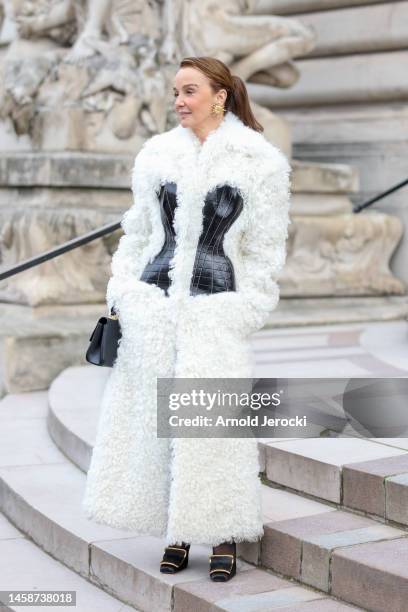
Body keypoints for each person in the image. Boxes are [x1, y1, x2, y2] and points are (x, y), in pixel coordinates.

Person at [82, 55, 292, 582]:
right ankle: (176, 529)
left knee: (212, 426)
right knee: (157, 427)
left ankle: (222, 534)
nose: (179, 100)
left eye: (190, 91)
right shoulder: (156, 154)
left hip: (216, 311)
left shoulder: (259, 161)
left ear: (220, 95)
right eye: (175, 91)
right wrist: (125, 290)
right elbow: (138, 233)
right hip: (153, 308)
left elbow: (267, 247)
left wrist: (248, 307)